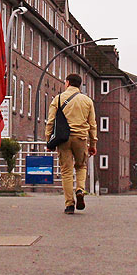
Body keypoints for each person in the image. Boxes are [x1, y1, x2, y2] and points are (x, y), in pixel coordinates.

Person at [45, 73, 97, 214]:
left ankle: (69, 205)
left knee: (66, 171)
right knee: (81, 166)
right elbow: (92, 125)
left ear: (67, 83)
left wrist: (49, 140)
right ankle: (80, 189)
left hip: (63, 139)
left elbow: (50, 121)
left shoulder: (58, 99)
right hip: (80, 138)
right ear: (79, 85)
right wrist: (93, 144)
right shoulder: (87, 101)